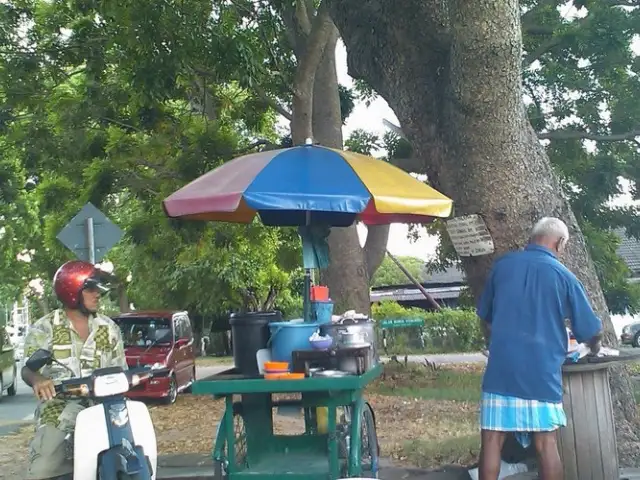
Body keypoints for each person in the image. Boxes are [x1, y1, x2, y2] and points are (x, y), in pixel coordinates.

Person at [477, 217, 603, 480]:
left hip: (501, 370)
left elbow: (485, 318)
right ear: (559, 243)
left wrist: (498, 341)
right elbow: (590, 329)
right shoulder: (564, 276)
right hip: (541, 375)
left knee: (491, 441)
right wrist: (595, 347)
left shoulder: (503, 267)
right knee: (546, 445)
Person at [22, 260, 127, 480]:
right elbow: (27, 370)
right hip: (60, 408)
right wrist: (38, 379)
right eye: (90, 289)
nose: (97, 294)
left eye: (98, 289)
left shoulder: (110, 329)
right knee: (42, 470)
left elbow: (121, 371)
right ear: (72, 291)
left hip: (106, 407)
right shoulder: (46, 327)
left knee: (129, 459)